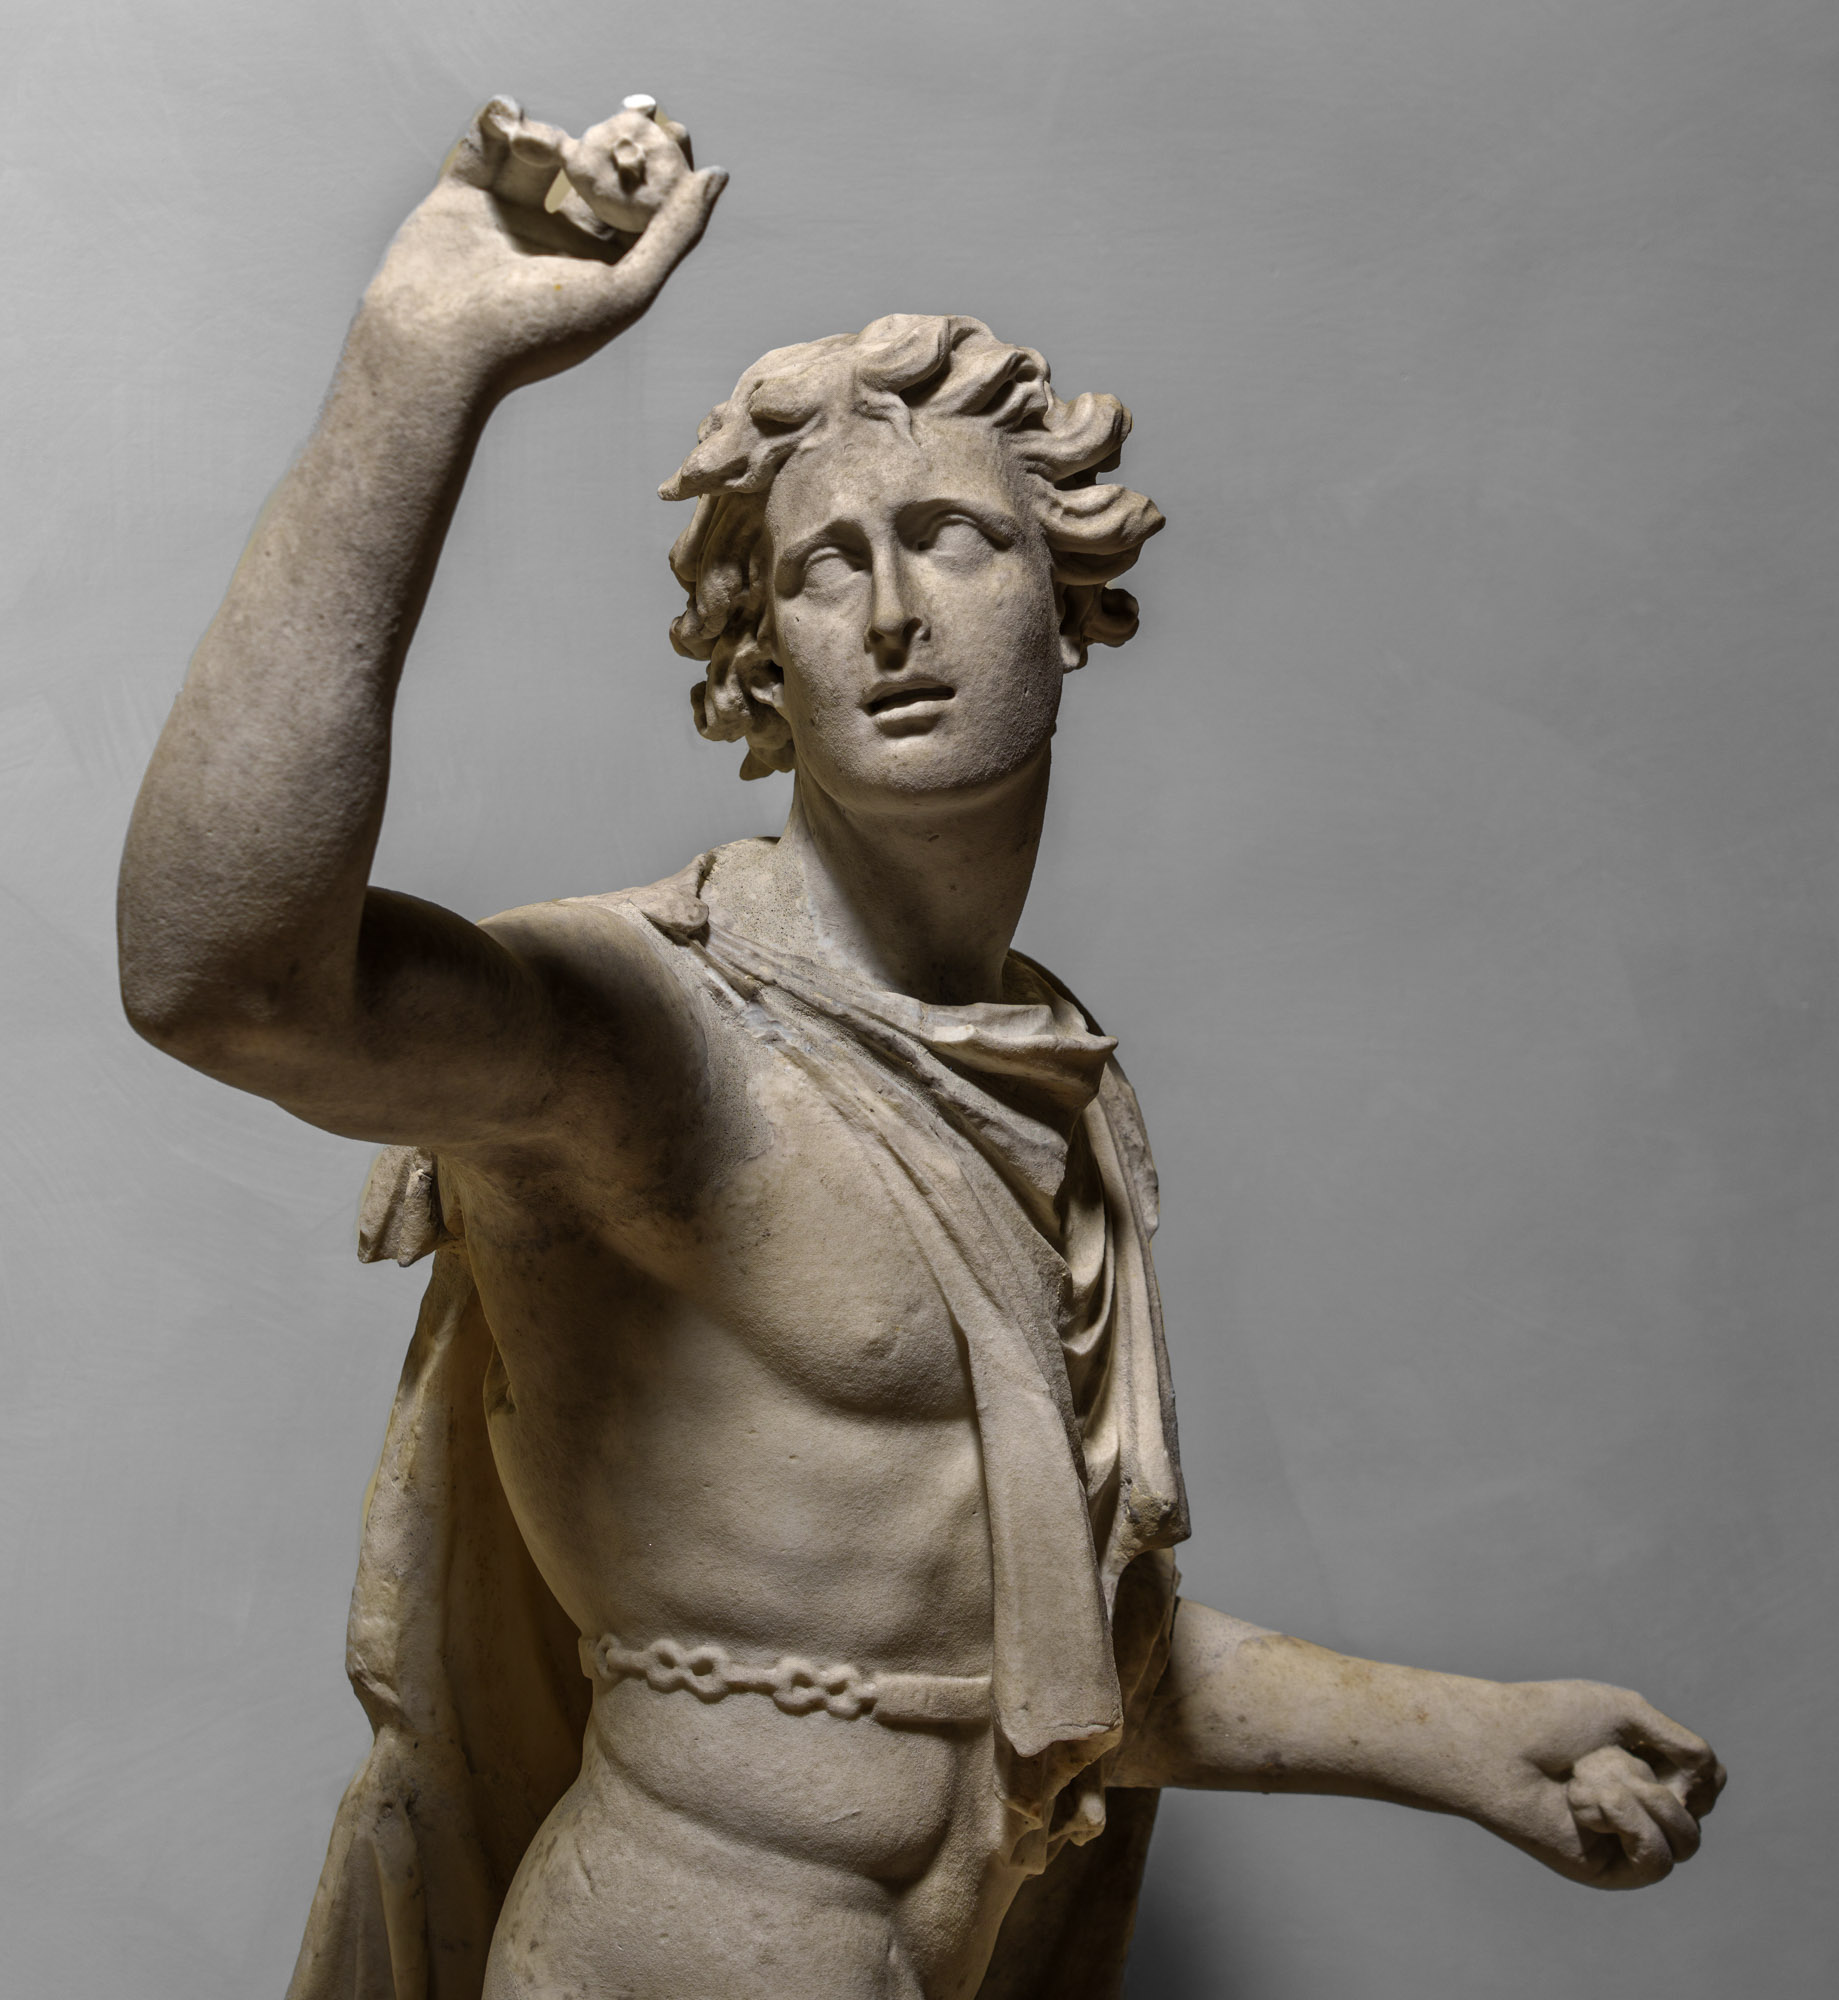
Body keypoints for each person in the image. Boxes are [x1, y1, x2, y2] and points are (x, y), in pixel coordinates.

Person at [116, 96, 1725, 2000]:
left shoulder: (1045, 1076)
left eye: (950, 537)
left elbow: (1030, 1663)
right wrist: (420, 369)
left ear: (1068, 591)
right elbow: (229, 981)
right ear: (760, 651)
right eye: (822, 567)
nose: (890, 613)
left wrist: (1461, 1737)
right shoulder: (657, 1041)